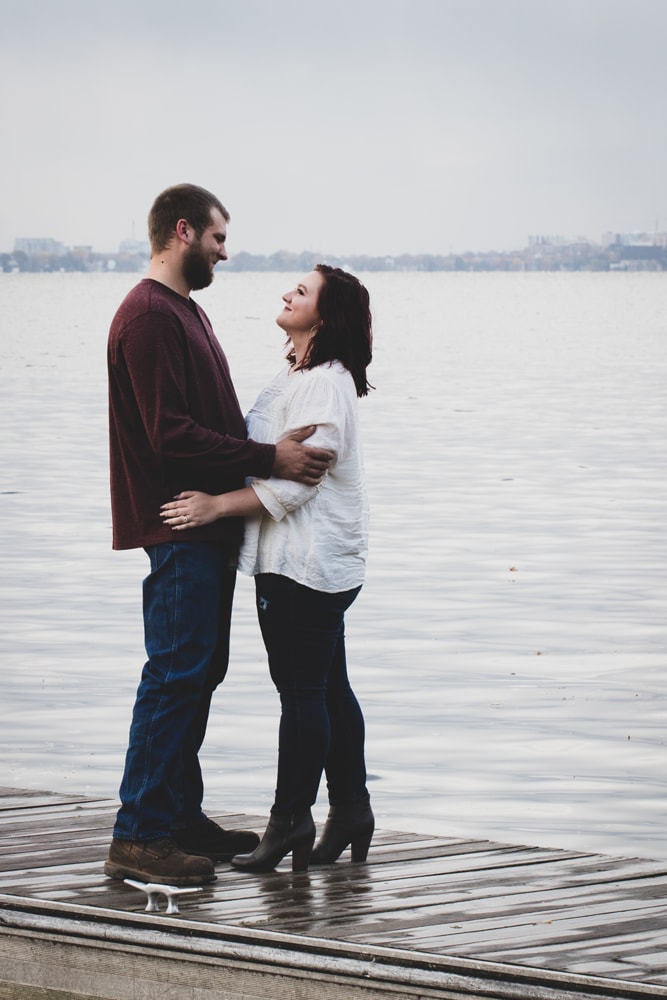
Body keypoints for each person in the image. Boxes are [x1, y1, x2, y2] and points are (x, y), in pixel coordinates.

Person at [105, 184, 334, 887]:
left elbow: (213, 420)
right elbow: (168, 432)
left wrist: (259, 461)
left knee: (198, 674)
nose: (224, 253)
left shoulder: (184, 312)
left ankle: (178, 817)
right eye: (217, 239)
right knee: (174, 675)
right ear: (182, 231)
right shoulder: (148, 316)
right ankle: (137, 835)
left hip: (204, 524)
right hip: (177, 522)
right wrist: (271, 460)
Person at [160, 264, 375, 872]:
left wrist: (216, 507)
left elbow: (301, 480)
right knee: (329, 687)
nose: (287, 293)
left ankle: (288, 822)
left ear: (325, 318)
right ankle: (352, 810)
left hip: (306, 563)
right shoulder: (297, 375)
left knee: (302, 693)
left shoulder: (323, 385)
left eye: (302, 292)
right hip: (297, 559)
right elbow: (272, 457)